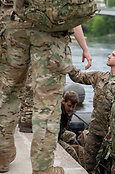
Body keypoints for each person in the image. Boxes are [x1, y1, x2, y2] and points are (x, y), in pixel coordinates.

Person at [0, 1, 92, 173]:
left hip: (13, 24)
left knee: (7, 94)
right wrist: (84, 48)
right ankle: (42, 169)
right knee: (47, 104)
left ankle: (2, 157)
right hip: (50, 30)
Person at [68, 47, 115, 173]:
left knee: (110, 168)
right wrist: (67, 63)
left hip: (112, 135)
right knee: (88, 164)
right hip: (95, 131)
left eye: (113, 55)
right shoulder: (99, 76)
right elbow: (78, 77)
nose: (109, 56)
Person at [58, 91, 84, 166]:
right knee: (71, 151)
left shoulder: (68, 112)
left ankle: (81, 154)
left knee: (72, 135)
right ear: (63, 101)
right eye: (69, 106)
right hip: (52, 137)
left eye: (73, 107)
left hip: (60, 133)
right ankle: (78, 168)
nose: (71, 109)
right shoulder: (58, 112)